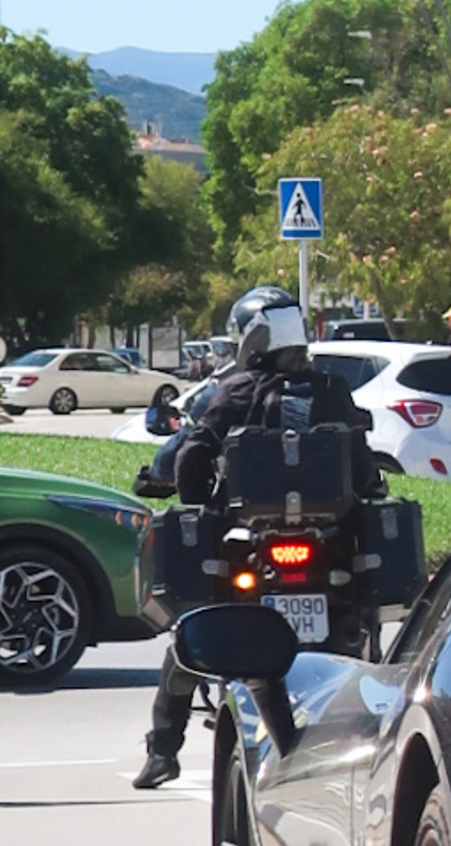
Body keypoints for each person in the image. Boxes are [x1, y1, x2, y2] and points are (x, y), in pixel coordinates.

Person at [133, 287, 383, 790]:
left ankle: (163, 752)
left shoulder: (237, 390)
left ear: (252, 337)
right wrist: (366, 488)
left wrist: (198, 500)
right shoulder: (332, 389)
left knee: (193, 631)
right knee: (360, 610)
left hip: (250, 540)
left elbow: (188, 457)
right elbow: (362, 464)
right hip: (327, 543)